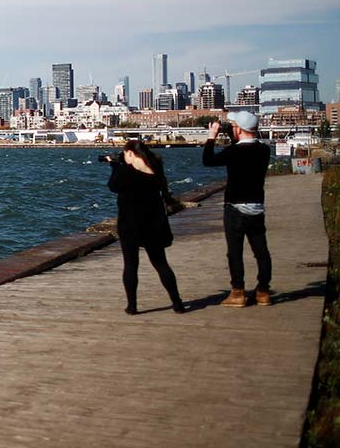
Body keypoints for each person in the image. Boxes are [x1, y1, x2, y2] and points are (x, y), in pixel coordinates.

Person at [107, 139, 186, 315]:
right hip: (154, 222)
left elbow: (113, 186)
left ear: (129, 153)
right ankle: (177, 302)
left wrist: (114, 166)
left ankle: (132, 306)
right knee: (160, 263)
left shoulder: (125, 171)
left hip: (130, 224)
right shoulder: (155, 169)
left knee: (131, 265)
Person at [204, 109, 273, 307]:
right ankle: (263, 291)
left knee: (235, 252)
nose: (231, 130)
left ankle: (238, 292)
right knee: (261, 251)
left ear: (240, 129)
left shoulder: (233, 152)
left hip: (235, 208)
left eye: (233, 127)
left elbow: (207, 160)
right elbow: (245, 144)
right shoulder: (263, 150)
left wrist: (211, 137)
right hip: (257, 207)